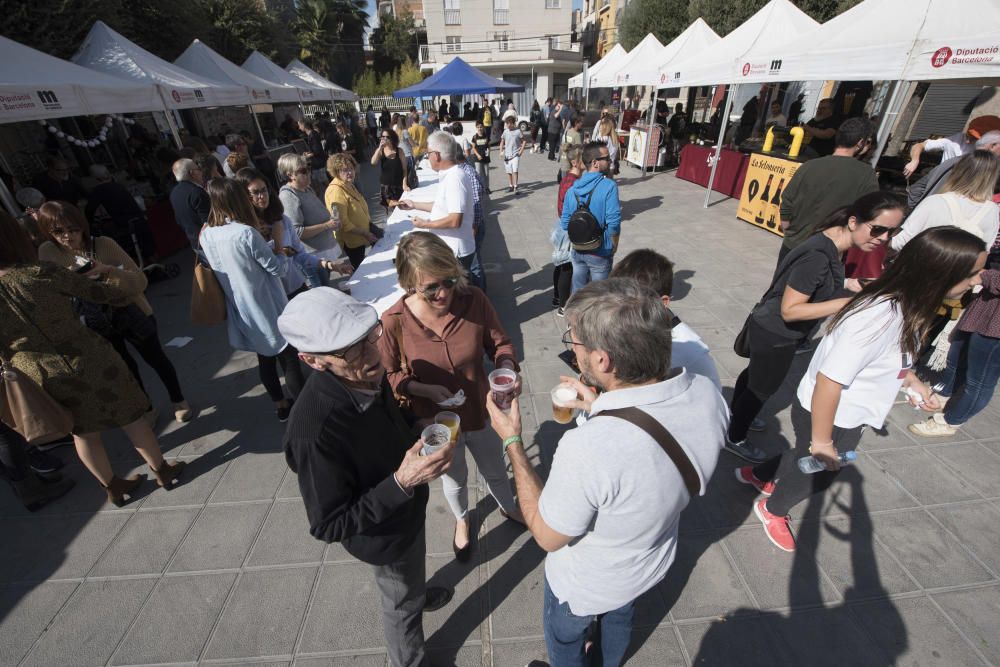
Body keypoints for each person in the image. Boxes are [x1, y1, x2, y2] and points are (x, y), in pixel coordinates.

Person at [485, 277, 728, 664]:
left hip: (586, 584)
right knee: (619, 621)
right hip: (648, 564)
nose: (573, 349)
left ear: (602, 360)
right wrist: (600, 404)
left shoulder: (590, 448)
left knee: (565, 640)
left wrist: (512, 440)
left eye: (575, 341)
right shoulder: (705, 391)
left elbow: (548, 536)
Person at [742, 227, 987, 552]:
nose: (976, 282)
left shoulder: (906, 305)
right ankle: (772, 509)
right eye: (971, 274)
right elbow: (830, 380)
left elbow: (889, 359)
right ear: (941, 272)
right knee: (820, 469)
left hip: (840, 409)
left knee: (806, 452)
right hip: (832, 412)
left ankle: (760, 474)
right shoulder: (880, 316)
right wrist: (823, 441)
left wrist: (911, 382)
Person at [279, 287, 455, 667]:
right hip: (383, 535)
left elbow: (388, 418)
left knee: (411, 577)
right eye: (349, 350)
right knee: (399, 605)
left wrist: (416, 423)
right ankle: (408, 660)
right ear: (311, 360)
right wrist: (402, 482)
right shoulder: (315, 431)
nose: (371, 354)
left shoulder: (363, 374)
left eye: (368, 337)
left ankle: (417, 593)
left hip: (406, 513)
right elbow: (329, 524)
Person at [0, 212, 185, 506]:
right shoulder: (40, 273)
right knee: (131, 415)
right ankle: (162, 471)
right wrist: (108, 274)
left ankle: (113, 487)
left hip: (38, 373)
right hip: (88, 355)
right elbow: (103, 293)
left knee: (83, 432)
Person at [377, 232, 524, 563]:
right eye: (431, 288)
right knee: (454, 477)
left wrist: (506, 369)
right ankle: (461, 520)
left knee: (495, 469)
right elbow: (389, 376)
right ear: (408, 284)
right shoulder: (394, 321)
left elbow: (500, 344)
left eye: (448, 280)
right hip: (436, 421)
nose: (444, 293)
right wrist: (423, 389)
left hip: (482, 410)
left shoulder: (473, 300)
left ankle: (509, 506)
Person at [728, 192, 907, 463]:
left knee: (755, 377)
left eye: (892, 232)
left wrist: (847, 284)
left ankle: (736, 416)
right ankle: (735, 435)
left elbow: (814, 284)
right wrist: (848, 303)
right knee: (761, 388)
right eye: (878, 229)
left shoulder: (831, 243)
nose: (883, 238)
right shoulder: (818, 256)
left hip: (771, 327)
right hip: (777, 332)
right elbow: (791, 311)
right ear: (853, 221)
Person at [37, 201, 193, 424]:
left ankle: (178, 399)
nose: (67, 237)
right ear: (47, 232)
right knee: (125, 368)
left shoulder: (103, 244)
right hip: (93, 318)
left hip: (129, 309)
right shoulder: (48, 251)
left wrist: (107, 271)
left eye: (73, 229)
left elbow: (140, 280)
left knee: (155, 358)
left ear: (83, 226)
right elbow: (49, 290)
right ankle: (147, 408)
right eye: (58, 231)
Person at [201, 178, 305, 422]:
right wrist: (279, 247)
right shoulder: (245, 233)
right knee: (288, 358)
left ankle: (280, 404)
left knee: (265, 357)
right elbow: (277, 269)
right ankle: (303, 409)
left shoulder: (208, 234)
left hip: (241, 306)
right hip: (267, 304)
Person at [910, 228, 1000, 437]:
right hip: (985, 307)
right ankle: (945, 394)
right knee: (956, 356)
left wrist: (985, 276)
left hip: (996, 323)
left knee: (980, 379)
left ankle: (950, 422)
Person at [611, 249, 723, 391]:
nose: (615, 310)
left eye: (628, 302)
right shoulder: (636, 325)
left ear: (662, 302)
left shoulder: (684, 350)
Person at [778, 117, 879, 265]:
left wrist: (790, 233)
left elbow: (787, 202)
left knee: (780, 287)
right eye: (869, 143)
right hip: (827, 251)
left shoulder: (809, 166)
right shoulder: (866, 175)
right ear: (860, 142)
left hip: (792, 246)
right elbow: (870, 214)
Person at [236, 167, 350, 297]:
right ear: (243, 197)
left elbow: (298, 254)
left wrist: (329, 264)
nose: (262, 196)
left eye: (264, 190)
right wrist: (278, 245)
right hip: (275, 297)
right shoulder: (245, 231)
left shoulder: (281, 220)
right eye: (255, 192)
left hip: (297, 287)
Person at [397, 131, 481, 288]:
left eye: (428, 153)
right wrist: (414, 204)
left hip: (456, 252)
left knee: (456, 296)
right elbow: (442, 206)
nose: (427, 157)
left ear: (436, 155)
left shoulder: (455, 178)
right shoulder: (450, 175)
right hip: (452, 249)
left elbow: (455, 220)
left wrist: (425, 224)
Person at [891, 150, 1000, 252]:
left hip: (919, 266)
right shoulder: (993, 210)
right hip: (959, 271)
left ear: (959, 171)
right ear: (992, 178)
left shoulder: (936, 201)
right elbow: (985, 251)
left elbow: (903, 241)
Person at [560, 141, 621, 293]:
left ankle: (575, 316)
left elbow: (565, 223)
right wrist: (613, 246)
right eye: (606, 158)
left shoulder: (572, 190)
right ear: (595, 163)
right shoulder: (609, 186)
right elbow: (614, 223)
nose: (610, 161)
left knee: (579, 292)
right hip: (600, 250)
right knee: (599, 297)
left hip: (578, 250)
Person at [277, 153, 346, 288]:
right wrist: (326, 225)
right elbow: (297, 232)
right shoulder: (288, 196)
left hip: (323, 252)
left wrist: (331, 223)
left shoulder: (306, 189)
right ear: (290, 175)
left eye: (308, 168)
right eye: (303, 171)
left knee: (327, 286)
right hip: (311, 257)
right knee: (321, 291)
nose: (308, 173)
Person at [908, 130, 1000, 210]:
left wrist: (919, 209)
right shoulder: (982, 170)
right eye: (969, 136)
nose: (968, 141)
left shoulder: (951, 162)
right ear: (992, 145)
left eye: (974, 139)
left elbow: (916, 189)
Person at [84, 164, 155, 262]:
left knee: (107, 235)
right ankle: (149, 259)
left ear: (95, 178)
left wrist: (89, 221)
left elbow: (90, 210)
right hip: (138, 218)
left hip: (124, 223)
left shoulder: (99, 190)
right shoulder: (118, 185)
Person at [325, 153, 379, 270]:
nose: (350, 172)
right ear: (336, 172)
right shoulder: (335, 191)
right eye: (345, 170)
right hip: (352, 241)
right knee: (362, 270)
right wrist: (365, 233)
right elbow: (343, 223)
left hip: (361, 236)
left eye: (351, 168)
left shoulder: (347, 183)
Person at [902, 114, 1000, 178]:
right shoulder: (955, 139)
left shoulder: (993, 154)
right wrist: (914, 160)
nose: (968, 140)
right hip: (941, 182)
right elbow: (919, 145)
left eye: (976, 138)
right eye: (969, 134)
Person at [551, 145, 584, 315]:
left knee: (560, 264)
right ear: (574, 162)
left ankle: (557, 297)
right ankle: (563, 306)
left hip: (562, 226)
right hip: (569, 228)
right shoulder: (574, 183)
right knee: (567, 267)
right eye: (582, 158)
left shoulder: (566, 179)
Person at [169, 158, 209, 252]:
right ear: (192, 173)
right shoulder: (197, 192)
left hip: (194, 242)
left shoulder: (174, 193)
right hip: (208, 243)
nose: (201, 171)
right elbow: (208, 221)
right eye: (198, 168)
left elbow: (179, 220)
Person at [370, 128, 411, 217]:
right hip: (385, 187)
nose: (384, 138)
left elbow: (404, 169)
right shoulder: (381, 151)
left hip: (398, 186)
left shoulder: (399, 151)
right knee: (390, 213)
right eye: (382, 136)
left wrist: (404, 184)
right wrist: (379, 147)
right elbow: (373, 162)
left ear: (392, 138)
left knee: (401, 210)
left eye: (386, 137)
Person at [298, 120, 328, 190]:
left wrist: (306, 156)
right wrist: (308, 153)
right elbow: (315, 149)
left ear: (303, 125)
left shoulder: (313, 135)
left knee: (324, 183)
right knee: (317, 183)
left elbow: (317, 151)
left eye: (299, 125)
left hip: (318, 163)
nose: (299, 128)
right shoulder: (312, 134)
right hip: (316, 163)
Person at [499, 115, 525, 194]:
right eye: (507, 123)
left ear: (513, 123)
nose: (508, 125)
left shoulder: (518, 131)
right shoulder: (505, 132)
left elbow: (524, 141)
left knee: (515, 170)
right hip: (507, 156)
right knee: (509, 172)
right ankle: (511, 186)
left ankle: (516, 187)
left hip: (515, 155)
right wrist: (501, 151)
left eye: (510, 123)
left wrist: (521, 151)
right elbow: (502, 142)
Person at [469, 121, 491, 193]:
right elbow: (473, 148)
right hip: (477, 158)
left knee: (486, 174)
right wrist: (478, 155)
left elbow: (489, 146)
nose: (479, 128)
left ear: (483, 127)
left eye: (481, 127)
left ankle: (487, 188)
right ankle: (479, 188)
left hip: (486, 158)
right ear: (476, 128)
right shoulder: (474, 137)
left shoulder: (486, 136)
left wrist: (488, 152)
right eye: (478, 127)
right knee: (478, 173)